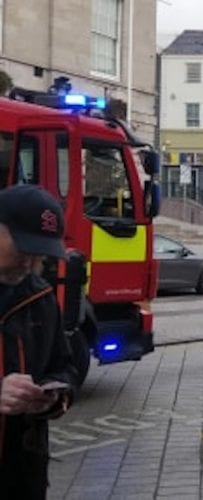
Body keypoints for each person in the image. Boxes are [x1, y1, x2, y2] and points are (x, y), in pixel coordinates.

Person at [0, 185, 77, 498]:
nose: (29, 261)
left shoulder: (42, 297)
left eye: (40, 251)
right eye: (23, 246)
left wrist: (54, 397)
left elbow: (64, 365)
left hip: (23, 476)